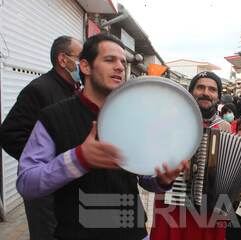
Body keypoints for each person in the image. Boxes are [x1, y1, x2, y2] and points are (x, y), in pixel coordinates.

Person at [16, 33, 187, 240]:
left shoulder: (132, 117)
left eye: (123, 62)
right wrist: (78, 159)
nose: (120, 67)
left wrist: (161, 179)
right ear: (86, 67)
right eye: (109, 60)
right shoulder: (53, 117)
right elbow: (27, 184)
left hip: (132, 233)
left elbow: (144, 177)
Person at [151, 71, 241, 240]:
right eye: (200, 87)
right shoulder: (170, 122)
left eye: (212, 89)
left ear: (218, 96)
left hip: (212, 213)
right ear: (190, 92)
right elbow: (150, 172)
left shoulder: (225, 127)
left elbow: (236, 173)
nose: (206, 92)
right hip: (173, 208)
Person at [0, 35, 82, 240]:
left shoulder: (74, 90)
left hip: (66, 186)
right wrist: (43, 162)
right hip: (45, 189)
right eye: (80, 57)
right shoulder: (39, 90)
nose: (84, 64)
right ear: (63, 60)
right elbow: (9, 134)